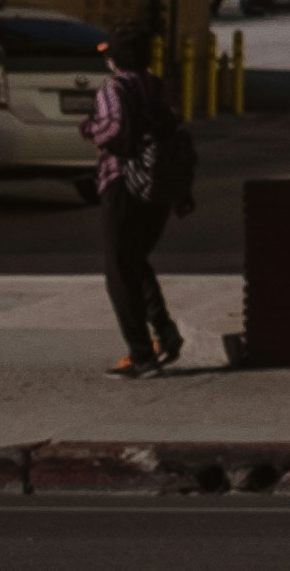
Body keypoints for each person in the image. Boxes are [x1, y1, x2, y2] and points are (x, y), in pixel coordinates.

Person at [85, 25, 191, 374]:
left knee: (118, 267)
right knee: (134, 258)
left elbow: (114, 127)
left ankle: (140, 353)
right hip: (158, 185)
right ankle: (164, 331)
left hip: (122, 182)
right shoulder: (158, 86)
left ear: (114, 58)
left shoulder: (114, 87)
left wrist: (90, 130)